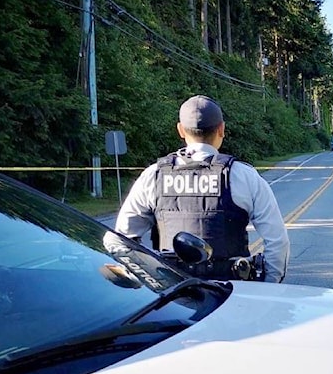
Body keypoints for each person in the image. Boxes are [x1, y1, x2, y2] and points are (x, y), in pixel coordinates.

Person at [114, 95, 289, 283]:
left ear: (180, 130)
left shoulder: (154, 176)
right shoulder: (244, 176)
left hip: (172, 295)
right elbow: (277, 241)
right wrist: (270, 285)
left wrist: (148, 283)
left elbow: (121, 241)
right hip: (232, 293)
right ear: (221, 129)